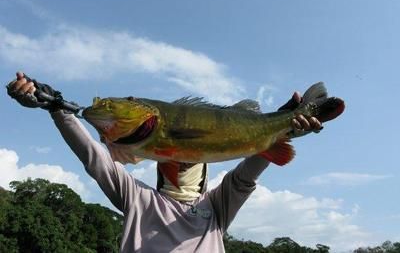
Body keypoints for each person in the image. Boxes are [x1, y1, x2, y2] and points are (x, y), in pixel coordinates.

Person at [7, 71, 322, 253]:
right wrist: (57, 109)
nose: (183, 162)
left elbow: (246, 174)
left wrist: (287, 127)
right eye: (176, 156)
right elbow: (95, 158)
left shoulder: (216, 209)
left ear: (206, 163)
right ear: (159, 162)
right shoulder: (139, 199)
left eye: (192, 157)